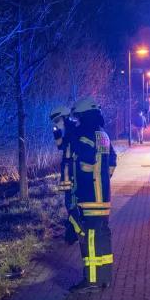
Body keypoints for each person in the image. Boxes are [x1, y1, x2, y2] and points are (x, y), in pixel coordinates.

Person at [69, 97, 116, 292]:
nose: (77, 122)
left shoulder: (85, 137)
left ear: (85, 117)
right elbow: (112, 162)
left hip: (89, 198)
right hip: (103, 196)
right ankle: (104, 277)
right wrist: (103, 178)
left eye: (79, 118)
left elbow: (85, 165)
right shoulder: (103, 135)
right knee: (103, 237)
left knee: (89, 239)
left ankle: (91, 280)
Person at [49, 105, 81, 244]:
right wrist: (57, 134)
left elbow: (73, 148)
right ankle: (73, 228)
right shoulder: (68, 128)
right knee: (69, 202)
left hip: (73, 171)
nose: (56, 123)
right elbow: (61, 146)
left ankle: (74, 230)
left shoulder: (74, 127)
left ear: (64, 116)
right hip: (68, 171)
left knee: (71, 202)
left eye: (57, 120)